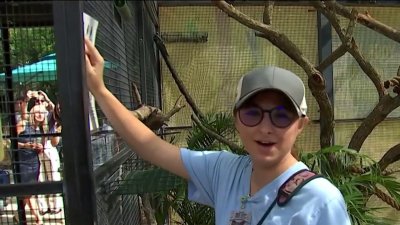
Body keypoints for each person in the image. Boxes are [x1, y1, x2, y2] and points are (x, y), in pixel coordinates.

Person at [84, 38, 351, 225]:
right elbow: (150, 146)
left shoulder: (321, 201)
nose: (265, 127)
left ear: (301, 125)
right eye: (252, 113)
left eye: (281, 116)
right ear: (237, 120)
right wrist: (100, 90)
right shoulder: (226, 172)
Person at [16, 104, 47, 225]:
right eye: (37, 112)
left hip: (34, 163)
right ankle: (38, 218)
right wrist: (25, 145)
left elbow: (42, 149)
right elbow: (10, 141)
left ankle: (18, 215)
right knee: (27, 191)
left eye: (42, 113)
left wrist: (40, 148)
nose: (40, 115)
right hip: (22, 162)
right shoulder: (24, 124)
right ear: (32, 113)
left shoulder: (41, 130)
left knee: (29, 192)